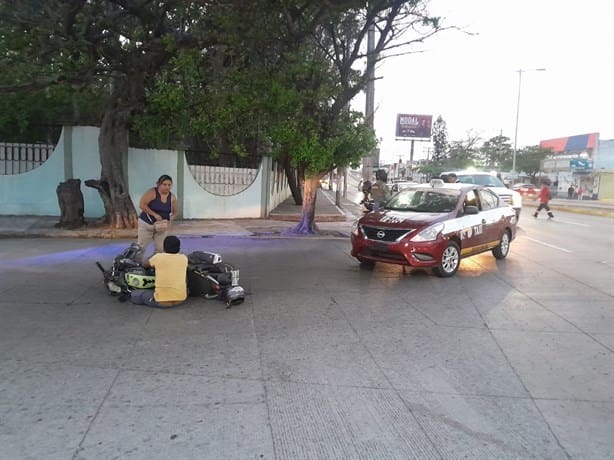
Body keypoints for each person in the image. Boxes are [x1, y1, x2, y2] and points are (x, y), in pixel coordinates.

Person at [130, 235, 188, 308]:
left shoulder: (158, 257)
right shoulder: (184, 258)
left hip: (162, 302)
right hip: (181, 299)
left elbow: (144, 265)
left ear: (164, 247)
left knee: (136, 294)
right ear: (179, 248)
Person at [138, 174, 177, 254]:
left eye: (169, 185)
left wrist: (172, 219)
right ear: (159, 184)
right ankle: (137, 264)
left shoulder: (172, 197)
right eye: (164, 184)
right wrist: (154, 214)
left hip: (161, 226)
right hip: (147, 224)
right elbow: (142, 204)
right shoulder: (152, 192)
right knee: (141, 247)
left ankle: (156, 264)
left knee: (160, 248)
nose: (167, 187)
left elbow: (175, 211)